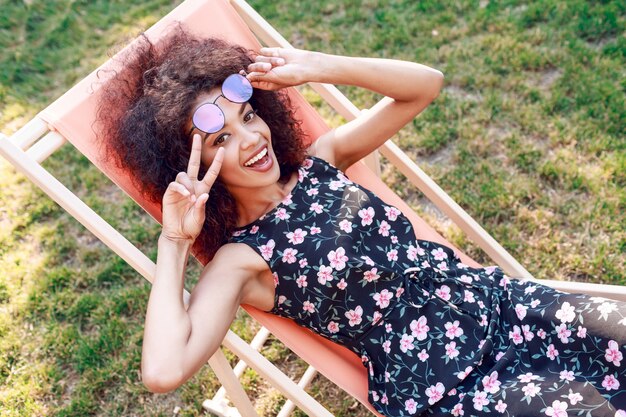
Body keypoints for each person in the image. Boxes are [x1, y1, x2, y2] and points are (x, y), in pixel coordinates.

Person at [98, 27, 626, 417]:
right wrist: (173, 241)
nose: (253, 140)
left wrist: (319, 65)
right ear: (186, 165)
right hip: (445, 381)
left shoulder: (321, 162)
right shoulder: (242, 260)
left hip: (500, 305)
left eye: (249, 116)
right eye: (221, 140)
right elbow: (163, 372)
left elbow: (425, 85)